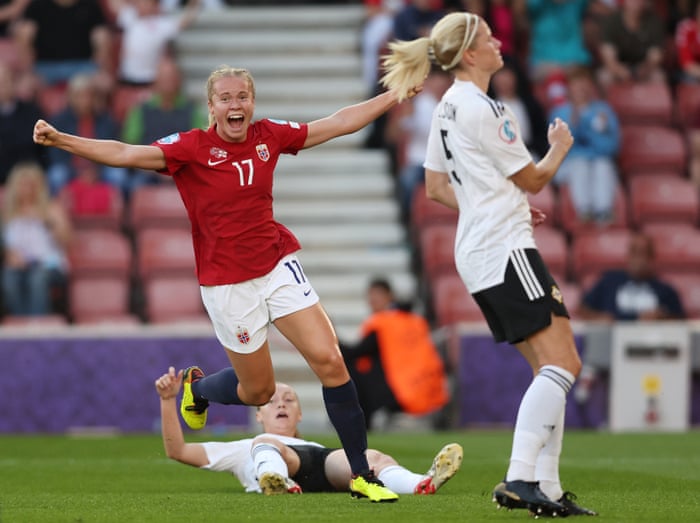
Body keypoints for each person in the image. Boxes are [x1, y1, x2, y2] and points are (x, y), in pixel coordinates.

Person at [33, 65, 422, 503]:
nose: (235, 105)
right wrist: (63, 139)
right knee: (258, 390)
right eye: (226, 98)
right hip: (227, 286)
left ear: (252, 103)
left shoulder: (268, 136)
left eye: (242, 97)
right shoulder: (191, 147)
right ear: (211, 106)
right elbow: (125, 153)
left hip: (277, 267)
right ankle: (196, 390)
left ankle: (360, 474)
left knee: (331, 362)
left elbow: (334, 123)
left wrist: (394, 96)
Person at [380, 10, 596, 517]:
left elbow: (436, 187)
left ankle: (549, 487)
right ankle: (521, 478)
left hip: (477, 249)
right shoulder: (487, 108)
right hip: (505, 247)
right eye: (489, 37)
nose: (500, 42)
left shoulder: (446, 106)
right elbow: (535, 178)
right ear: (471, 54)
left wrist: (497, 202)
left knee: (549, 368)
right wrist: (560, 147)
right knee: (565, 364)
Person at [154, 367, 463, 495]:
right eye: (273, 400)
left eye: (290, 399)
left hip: (319, 463)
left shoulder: (314, 444)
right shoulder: (245, 446)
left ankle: (420, 483)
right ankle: (275, 481)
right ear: (258, 413)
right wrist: (169, 401)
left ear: (300, 413)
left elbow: (335, 458)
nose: (282, 404)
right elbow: (177, 451)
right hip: (278, 459)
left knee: (369, 458)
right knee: (267, 444)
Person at [575, 231, 685, 404]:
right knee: (600, 334)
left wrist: (661, 318)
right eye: (634, 253)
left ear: (652, 258)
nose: (638, 260)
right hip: (610, 346)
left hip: (649, 352)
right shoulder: (609, 281)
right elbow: (581, 308)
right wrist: (600, 318)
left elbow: (681, 325)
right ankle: (588, 379)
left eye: (643, 254)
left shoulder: (666, 291)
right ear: (627, 256)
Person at [341, 277, 450, 430]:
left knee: (351, 370)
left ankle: (362, 425)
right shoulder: (414, 320)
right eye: (371, 296)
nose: (373, 300)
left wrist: (329, 338)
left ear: (389, 296)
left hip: (400, 389)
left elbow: (355, 353)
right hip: (426, 385)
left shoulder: (383, 323)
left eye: (377, 295)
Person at [121, 57, 207, 194]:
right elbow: (130, 146)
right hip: (147, 172)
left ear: (179, 81)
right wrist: (155, 170)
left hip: (183, 171)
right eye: (164, 78)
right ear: (156, 81)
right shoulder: (140, 110)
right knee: (130, 185)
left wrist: (176, 169)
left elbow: (201, 146)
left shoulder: (192, 110)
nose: (168, 83)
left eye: (172, 78)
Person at [549, 66, 621, 225]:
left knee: (603, 164)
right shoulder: (561, 112)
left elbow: (611, 146)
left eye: (584, 83)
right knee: (579, 164)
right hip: (568, 165)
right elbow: (558, 149)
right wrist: (575, 125)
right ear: (569, 88)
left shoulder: (603, 110)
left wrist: (590, 127)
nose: (581, 88)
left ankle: (603, 211)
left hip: (597, 161)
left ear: (591, 87)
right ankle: (584, 211)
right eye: (576, 84)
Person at [1, 161, 71, 317]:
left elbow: (66, 241)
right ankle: (19, 323)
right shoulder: (8, 214)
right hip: (19, 265)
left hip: (49, 264)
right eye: (22, 185)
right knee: (8, 277)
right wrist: (10, 256)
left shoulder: (52, 208)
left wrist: (48, 221)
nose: (26, 190)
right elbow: (6, 246)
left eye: (30, 185)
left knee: (37, 277)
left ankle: (37, 325)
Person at [45, 72, 128, 196]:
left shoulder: (106, 120)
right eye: (80, 96)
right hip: (70, 169)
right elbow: (55, 154)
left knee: (119, 176)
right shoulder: (60, 121)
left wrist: (96, 172)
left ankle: (120, 213)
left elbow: (114, 151)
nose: (85, 100)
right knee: (56, 175)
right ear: (71, 98)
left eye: (88, 95)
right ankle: (57, 212)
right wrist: (79, 173)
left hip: (100, 169)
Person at [13, 0, 113, 86]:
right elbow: (24, 32)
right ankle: (30, 109)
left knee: (104, 84)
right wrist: (28, 72)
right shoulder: (38, 4)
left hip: (82, 66)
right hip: (45, 67)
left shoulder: (90, 4)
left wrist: (101, 70)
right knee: (24, 87)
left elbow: (102, 34)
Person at [106, 0, 201, 86]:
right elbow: (114, 4)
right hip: (127, 78)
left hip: (149, 79)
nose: (142, 5)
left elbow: (184, 21)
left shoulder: (162, 24)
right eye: (140, 2)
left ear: (155, 6)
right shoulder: (130, 17)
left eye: (146, 3)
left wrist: (194, 4)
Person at [597, 0, 666, 88]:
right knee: (604, 76)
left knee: (659, 76)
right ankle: (605, 102)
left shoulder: (655, 21)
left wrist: (645, 69)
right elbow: (608, 57)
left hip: (644, 66)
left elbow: (655, 56)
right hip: (619, 66)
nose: (636, 3)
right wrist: (619, 70)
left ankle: (652, 102)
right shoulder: (611, 21)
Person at [0, 61, 46, 184]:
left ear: (14, 84)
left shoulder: (31, 111)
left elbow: (36, 144)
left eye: (5, 82)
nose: (2, 86)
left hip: (27, 169)